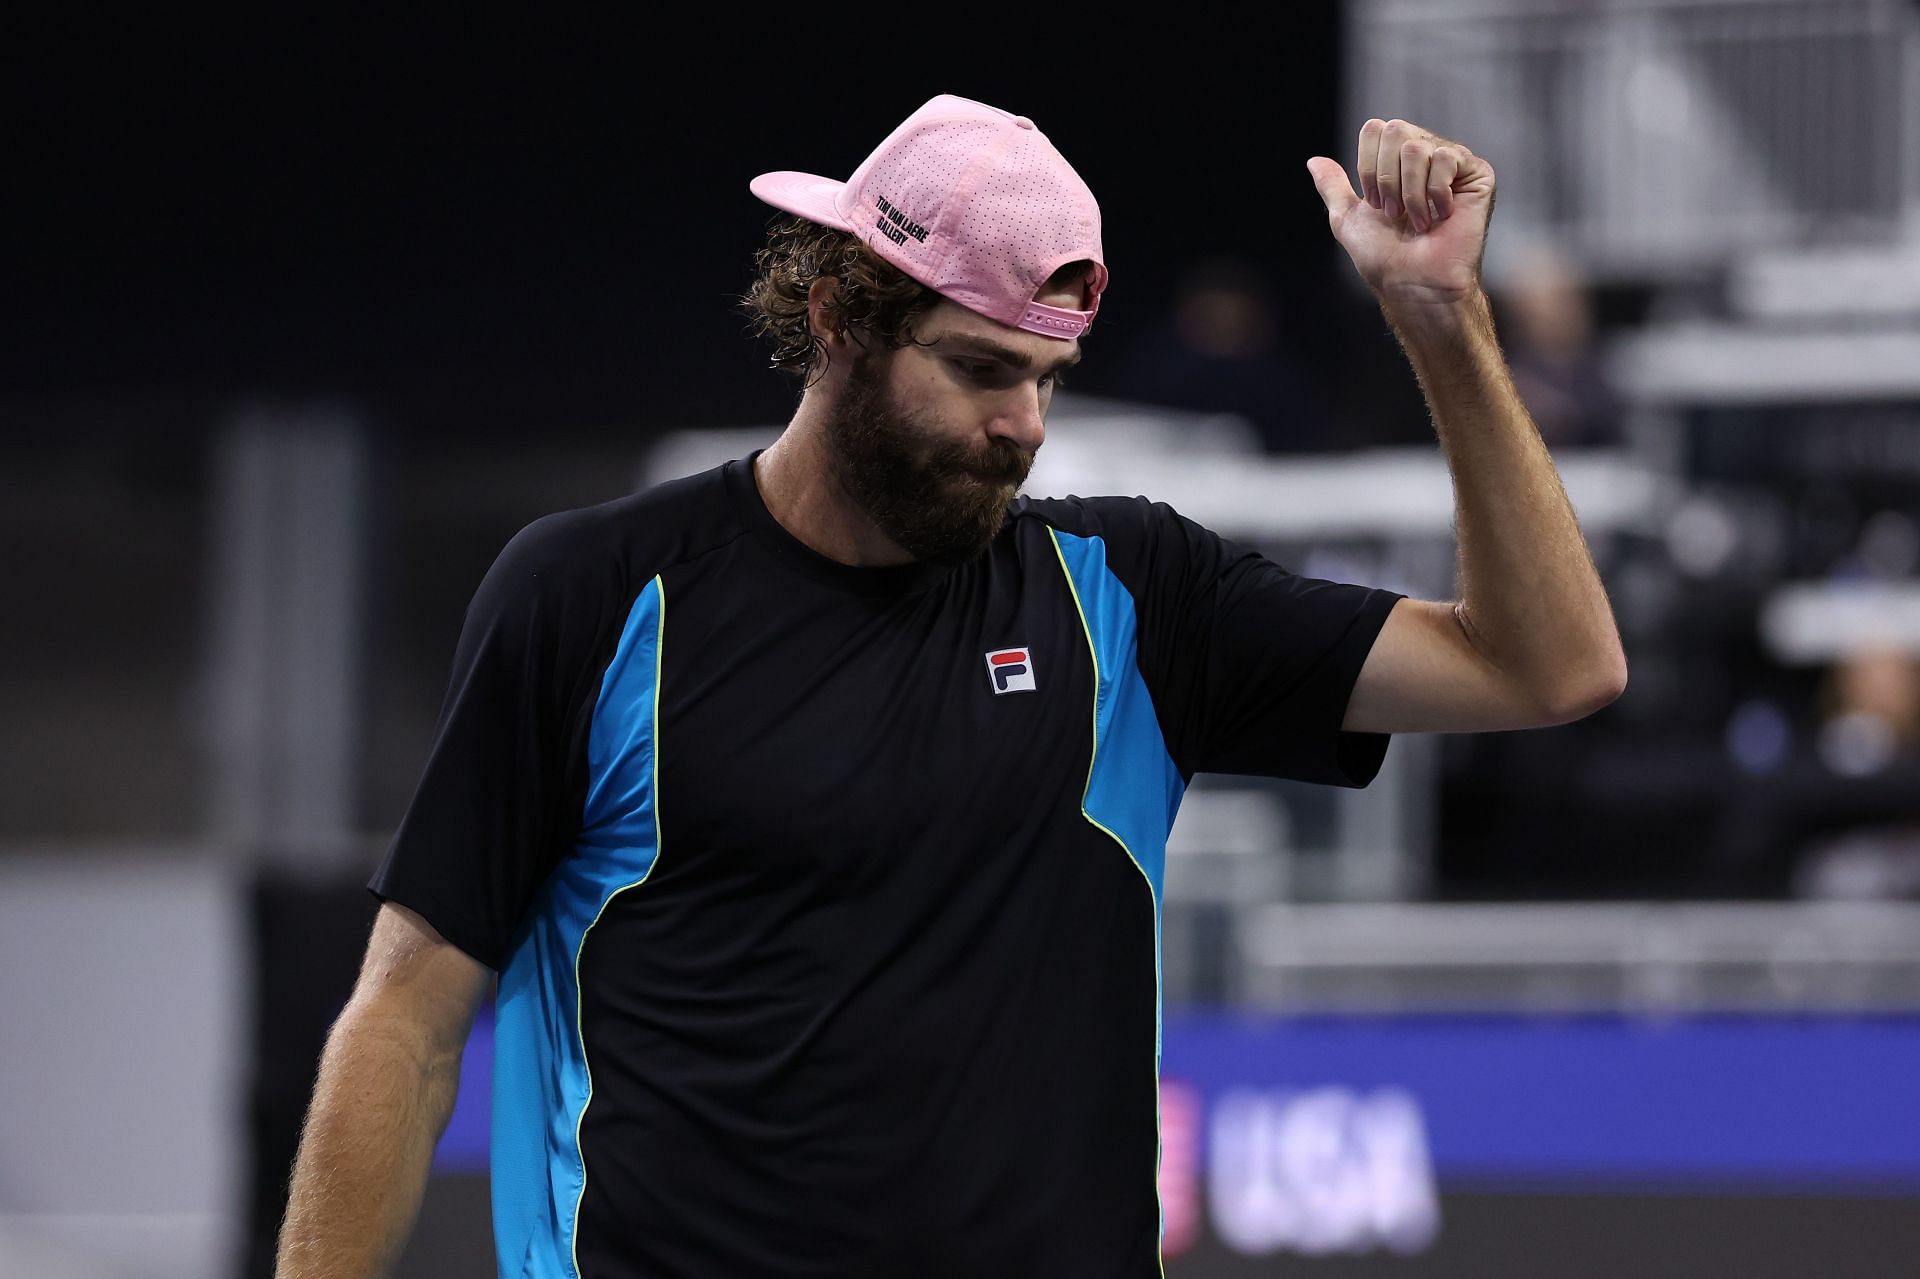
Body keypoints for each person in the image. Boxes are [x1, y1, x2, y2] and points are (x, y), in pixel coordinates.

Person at [274, 97, 1626, 1277]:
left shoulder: (1133, 599)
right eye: (981, 368)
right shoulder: (591, 597)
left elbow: (1550, 666)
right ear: (838, 319)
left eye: (1047, 378)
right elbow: (403, 1020)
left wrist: (1443, 322)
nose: (1025, 426)